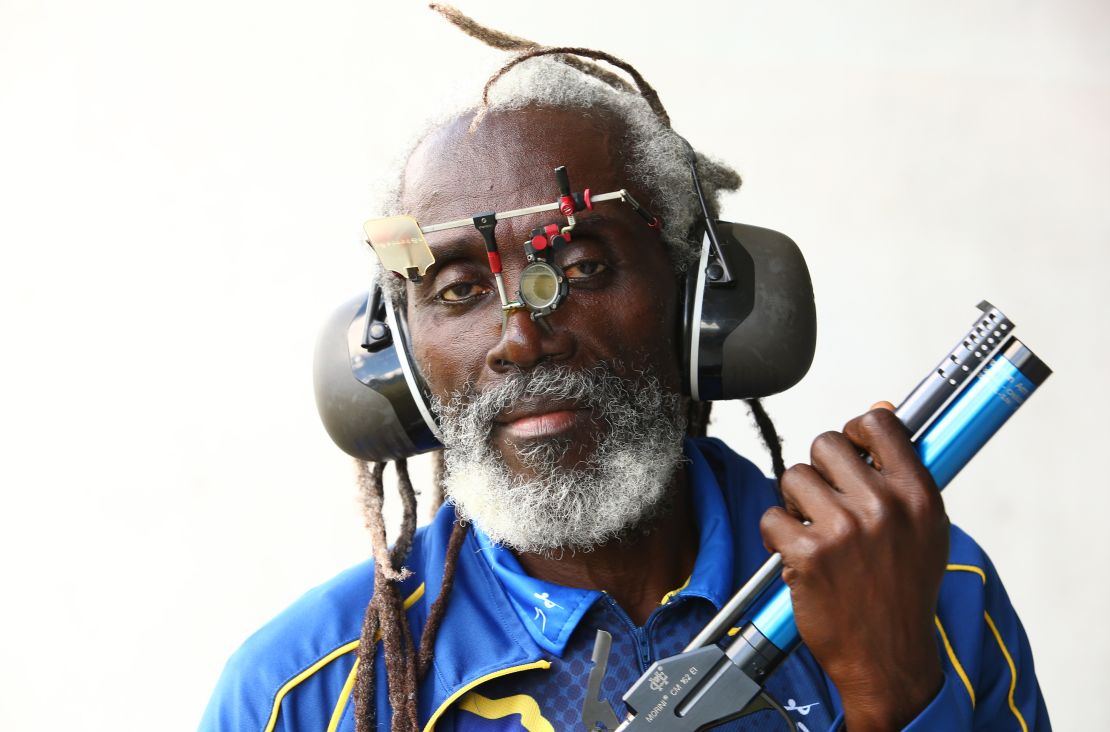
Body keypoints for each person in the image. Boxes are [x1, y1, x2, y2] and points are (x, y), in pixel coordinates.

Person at [201, 12, 1050, 732]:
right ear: (397, 359)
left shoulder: (920, 589)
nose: (522, 340)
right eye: (459, 290)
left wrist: (890, 691)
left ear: (697, 303)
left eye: (580, 269)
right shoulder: (304, 693)